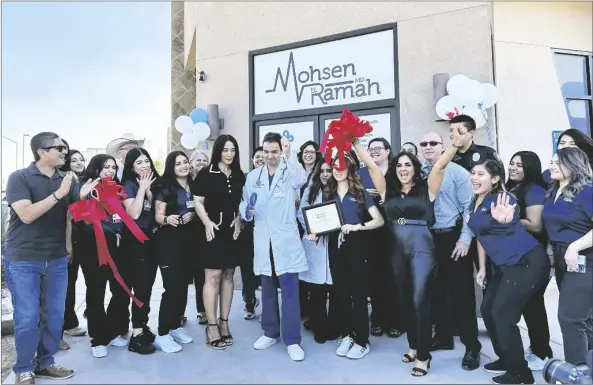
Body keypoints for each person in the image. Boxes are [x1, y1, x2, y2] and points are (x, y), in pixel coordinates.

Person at [5, 132, 95, 384]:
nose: (64, 152)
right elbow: (27, 215)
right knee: (28, 317)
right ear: (41, 152)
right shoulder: (19, 178)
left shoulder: (66, 179)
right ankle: (24, 367)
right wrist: (60, 193)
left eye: (65, 148)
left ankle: (45, 363)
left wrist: (84, 196)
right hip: (24, 258)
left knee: (54, 315)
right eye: (59, 148)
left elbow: (75, 215)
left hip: (56, 258)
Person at [373, 131, 461, 376]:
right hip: (395, 250)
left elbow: (441, 166)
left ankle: (423, 356)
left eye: (408, 164)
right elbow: (371, 167)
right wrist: (357, 144)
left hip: (422, 247)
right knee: (405, 300)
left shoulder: (426, 188)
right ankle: (413, 345)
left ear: (415, 168)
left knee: (419, 299)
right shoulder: (387, 191)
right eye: (399, 165)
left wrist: (454, 145)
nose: (403, 168)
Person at [470, 160, 550, 385]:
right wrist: (483, 268)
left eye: (481, 174)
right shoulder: (475, 200)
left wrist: (505, 219)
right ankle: (507, 358)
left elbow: (508, 217)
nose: (474, 178)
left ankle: (520, 374)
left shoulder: (503, 200)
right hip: (507, 266)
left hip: (526, 261)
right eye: (473, 173)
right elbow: (481, 236)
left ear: (495, 179)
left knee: (503, 315)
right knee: (487, 308)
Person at [239, 133, 308, 362]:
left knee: (289, 291)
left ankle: (292, 340)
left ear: (281, 151)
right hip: (263, 239)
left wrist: (289, 155)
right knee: (267, 288)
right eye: (266, 152)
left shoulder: (289, 171)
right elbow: (245, 204)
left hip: (285, 240)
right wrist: (246, 212)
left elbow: (301, 177)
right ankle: (270, 331)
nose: (270, 156)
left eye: (274, 152)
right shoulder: (253, 177)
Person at [418, 132, 481, 370]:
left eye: (433, 143)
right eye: (424, 143)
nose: (428, 147)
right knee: (436, 292)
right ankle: (443, 337)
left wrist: (465, 240)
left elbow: (469, 208)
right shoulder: (420, 173)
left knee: (462, 295)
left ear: (443, 146)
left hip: (453, 238)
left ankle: (472, 346)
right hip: (428, 239)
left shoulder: (457, 172)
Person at [318, 148, 385, 360]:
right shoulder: (328, 193)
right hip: (334, 248)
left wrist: (358, 227)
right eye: (334, 167)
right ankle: (346, 335)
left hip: (356, 247)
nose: (336, 171)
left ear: (349, 168)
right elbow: (323, 222)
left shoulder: (360, 192)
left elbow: (379, 220)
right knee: (341, 294)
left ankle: (362, 340)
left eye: (340, 166)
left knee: (357, 294)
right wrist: (316, 234)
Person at [76, 154, 132, 358]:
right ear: (96, 168)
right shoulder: (86, 188)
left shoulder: (119, 190)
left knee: (120, 292)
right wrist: (82, 197)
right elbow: (77, 218)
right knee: (96, 293)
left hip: (118, 248)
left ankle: (112, 330)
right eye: (105, 167)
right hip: (93, 248)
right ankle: (98, 339)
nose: (110, 170)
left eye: (113, 167)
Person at [193, 134, 245, 350]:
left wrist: (240, 220)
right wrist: (206, 222)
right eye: (225, 150)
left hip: (231, 233)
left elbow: (245, 201)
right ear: (218, 152)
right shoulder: (206, 174)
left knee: (229, 275)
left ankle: (224, 323)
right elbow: (198, 201)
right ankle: (211, 326)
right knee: (212, 276)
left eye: (232, 150)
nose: (229, 154)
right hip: (212, 231)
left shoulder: (239, 174)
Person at [542, 147, 593, 367]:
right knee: (585, 319)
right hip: (564, 260)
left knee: (570, 318)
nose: (551, 165)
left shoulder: (587, 191)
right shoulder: (554, 190)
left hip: (585, 258)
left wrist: (575, 246)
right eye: (551, 161)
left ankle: (576, 371)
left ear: (572, 164)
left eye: (557, 162)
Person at [506, 151, 554, 370]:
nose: (513, 167)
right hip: (516, 256)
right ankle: (537, 348)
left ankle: (542, 352)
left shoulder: (534, 190)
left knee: (532, 305)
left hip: (532, 255)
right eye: (512, 163)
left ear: (531, 168)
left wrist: (508, 217)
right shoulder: (513, 188)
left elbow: (536, 225)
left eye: (520, 165)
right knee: (528, 305)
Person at [358, 138, 405, 338]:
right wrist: (366, 197)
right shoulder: (360, 173)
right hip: (371, 229)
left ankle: (397, 320)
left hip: (395, 230)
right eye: (371, 149)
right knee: (375, 276)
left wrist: (385, 196)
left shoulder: (398, 171)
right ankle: (377, 319)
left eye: (378, 148)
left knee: (395, 275)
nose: (374, 152)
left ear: (388, 151)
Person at [153, 151, 197, 353]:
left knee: (182, 286)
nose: (183, 166)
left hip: (188, 241)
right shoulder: (165, 186)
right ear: (171, 166)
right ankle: (162, 333)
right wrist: (167, 219)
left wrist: (192, 214)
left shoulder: (194, 185)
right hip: (168, 242)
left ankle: (175, 326)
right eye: (178, 163)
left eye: (185, 162)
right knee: (171, 287)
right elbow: (157, 216)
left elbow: (198, 207)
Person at [120, 148, 160, 355]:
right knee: (140, 288)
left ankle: (142, 324)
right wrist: (143, 188)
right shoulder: (128, 185)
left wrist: (150, 190)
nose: (144, 165)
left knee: (147, 287)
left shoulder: (156, 182)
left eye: (146, 160)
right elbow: (133, 214)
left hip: (151, 242)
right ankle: (135, 335)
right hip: (134, 244)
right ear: (132, 167)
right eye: (139, 163)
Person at [297, 160, 340, 344]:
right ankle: (318, 326)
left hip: (334, 243)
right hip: (315, 243)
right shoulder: (311, 189)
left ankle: (334, 325)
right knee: (316, 290)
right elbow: (301, 213)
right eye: (321, 171)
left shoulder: (340, 189)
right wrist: (313, 229)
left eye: (328, 170)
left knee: (336, 288)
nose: (324, 174)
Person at [58, 149, 88, 350]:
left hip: (84, 238)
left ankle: (70, 322)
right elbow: (70, 214)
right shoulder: (66, 182)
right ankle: (59, 328)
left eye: (81, 159)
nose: (78, 162)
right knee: (64, 284)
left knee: (74, 281)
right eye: (73, 160)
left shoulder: (88, 180)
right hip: (67, 238)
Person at [181, 148, 209, 326]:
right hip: (184, 234)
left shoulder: (209, 180)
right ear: (191, 163)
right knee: (182, 276)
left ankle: (202, 310)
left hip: (202, 234)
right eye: (197, 160)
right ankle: (180, 312)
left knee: (201, 275)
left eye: (204, 160)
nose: (201, 163)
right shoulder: (186, 181)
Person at [296, 140, 322, 321]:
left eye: (312, 152)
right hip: (294, 223)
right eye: (306, 152)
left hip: (311, 226)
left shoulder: (320, 172)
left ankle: (313, 309)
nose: (308, 155)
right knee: (299, 266)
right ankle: (301, 307)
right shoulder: (296, 171)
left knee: (311, 266)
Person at [238, 146, 264, 321]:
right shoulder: (245, 179)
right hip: (248, 230)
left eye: (264, 156)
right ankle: (249, 303)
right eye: (257, 156)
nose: (261, 159)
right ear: (252, 159)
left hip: (267, 230)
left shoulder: (275, 178)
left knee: (266, 270)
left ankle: (269, 307)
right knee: (247, 268)